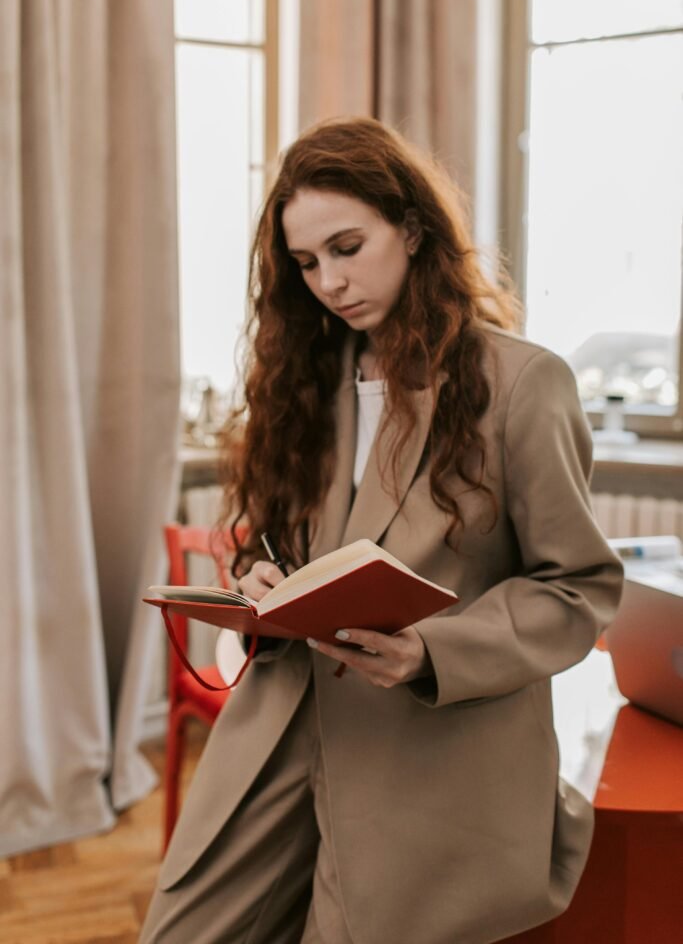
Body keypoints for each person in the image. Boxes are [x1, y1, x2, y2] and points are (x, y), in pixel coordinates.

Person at [140, 117, 623, 944]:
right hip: (283, 727)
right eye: (305, 263)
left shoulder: (522, 384)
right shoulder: (304, 383)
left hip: (422, 754)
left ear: (410, 227)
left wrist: (430, 650)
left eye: (346, 246)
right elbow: (275, 539)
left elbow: (576, 591)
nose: (328, 281)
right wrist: (260, 575)